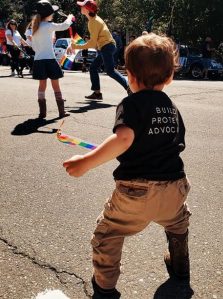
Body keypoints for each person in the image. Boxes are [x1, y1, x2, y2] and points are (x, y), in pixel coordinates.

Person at [63, 33, 191, 298]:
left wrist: (85, 162)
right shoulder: (172, 107)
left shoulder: (131, 104)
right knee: (178, 224)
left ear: (130, 75)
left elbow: (124, 138)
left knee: (108, 233)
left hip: (137, 192)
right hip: (175, 187)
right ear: (169, 77)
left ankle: (105, 289)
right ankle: (180, 269)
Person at [69, 0, 130, 100]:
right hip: (106, 47)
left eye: (82, 6)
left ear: (87, 10)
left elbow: (92, 43)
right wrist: (79, 45)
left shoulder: (93, 22)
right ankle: (97, 93)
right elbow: (94, 42)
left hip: (107, 47)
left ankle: (129, 88)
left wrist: (76, 46)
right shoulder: (93, 20)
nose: (80, 7)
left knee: (110, 71)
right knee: (93, 68)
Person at [31, 0, 74, 118]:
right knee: (56, 86)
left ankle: (42, 113)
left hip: (38, 60)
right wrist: (70, 17)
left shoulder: (35, 28)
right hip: (50, 59)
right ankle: (61, 112)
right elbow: (65, 26)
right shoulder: (49, 26)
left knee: (41, 86)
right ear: (48, 14)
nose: (53, 15)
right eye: (52, 13)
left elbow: (34, 47)